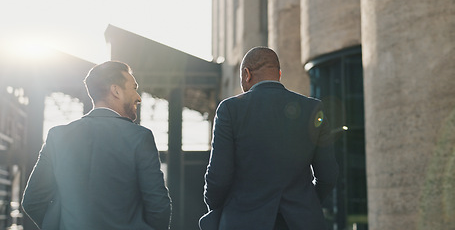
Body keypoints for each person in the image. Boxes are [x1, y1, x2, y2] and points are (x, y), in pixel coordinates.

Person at [200, 47, 339, 230]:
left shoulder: (230, 110)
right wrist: (305, 203)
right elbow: (328, 175)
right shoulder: (313, 109)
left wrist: (222, 210)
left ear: (246, 74)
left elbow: (218, 176)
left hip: (242, 222)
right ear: (279, 74)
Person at [22, 61, 172, 230]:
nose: (138, 97)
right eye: (134, 88)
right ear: (116, 91)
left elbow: (33, 201)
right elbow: (158, 206)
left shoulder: (57, 136)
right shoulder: (139, 137)